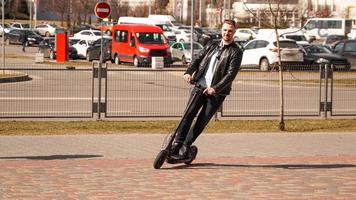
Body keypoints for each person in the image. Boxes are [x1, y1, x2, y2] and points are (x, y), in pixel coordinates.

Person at [170, 19, 243, 160]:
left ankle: (186, 147)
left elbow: (230, 75)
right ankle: (176, 144)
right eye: (225, 30)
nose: (227, 33)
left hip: (216, 93)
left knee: (201, 121)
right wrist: (188, 72)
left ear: (234, 33)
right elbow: (197, 59)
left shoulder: (236, 52)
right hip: (200, 86)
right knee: (188, 115)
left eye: (230, 31)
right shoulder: (212, 45)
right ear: (221, 30)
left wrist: (215, 88)